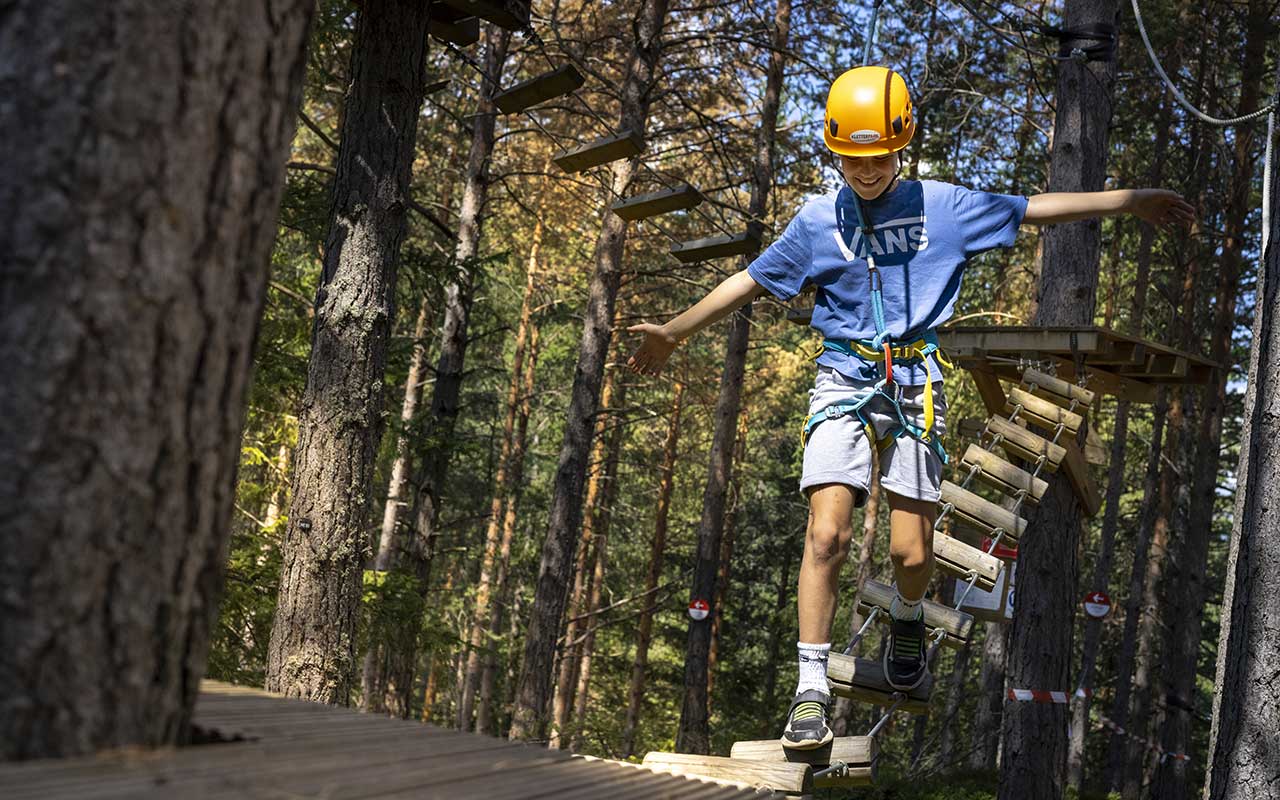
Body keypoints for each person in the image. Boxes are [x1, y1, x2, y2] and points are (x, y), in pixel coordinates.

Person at [626, 65, 1193, 750]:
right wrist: (674, 330)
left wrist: (1126, 200)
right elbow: (748, 279)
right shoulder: (816, 219)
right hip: (844, 377)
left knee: (911, 551)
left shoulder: (943, 208)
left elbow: (1033, 208)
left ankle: (908, 612)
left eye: (880, 156)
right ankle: (810, 690)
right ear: (834, 150)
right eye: (852, 158)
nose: (865, 170)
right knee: (827, 534)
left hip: (916, 382)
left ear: (904, 147)